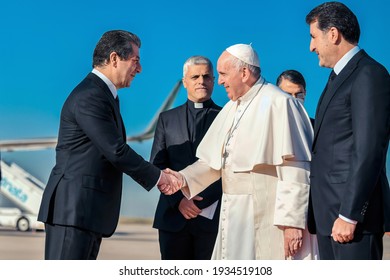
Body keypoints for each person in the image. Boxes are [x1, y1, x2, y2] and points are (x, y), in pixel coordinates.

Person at [165, 44, 318, 260]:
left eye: (223, 74)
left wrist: (292, 224)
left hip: (265, 214)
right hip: (233, 213)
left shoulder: (280, 103)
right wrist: (181, 179)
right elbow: (212, 163)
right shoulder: (231, 107)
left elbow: (296, 167)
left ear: (244, 73)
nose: (219, 81)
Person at [37, 30, 178, 260]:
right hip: (73, 212)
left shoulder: (104, 96)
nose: (139, 69)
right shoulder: (91, 96)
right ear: (114, 59)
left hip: (86, 213)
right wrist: (160, 178)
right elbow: (116, 150)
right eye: (135, 61)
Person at [306, 2, 390, 259]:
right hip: (327, 219)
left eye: (313, 37)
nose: (311, 47)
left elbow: (369, 150)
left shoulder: (369, 74)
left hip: (351, 222)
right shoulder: (336, 79)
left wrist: (349, 214)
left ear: (333, 34)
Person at [150, 56, 222, 259]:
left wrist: (201, 202)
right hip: (172, 216)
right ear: (185, 82)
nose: (201, 81)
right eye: (195, 76)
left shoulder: (226, 118)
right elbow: (157, 165)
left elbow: (229, 168)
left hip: (211, 219)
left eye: (207, 76)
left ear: (213, 81)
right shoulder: (167, 119)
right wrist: (179, 200)